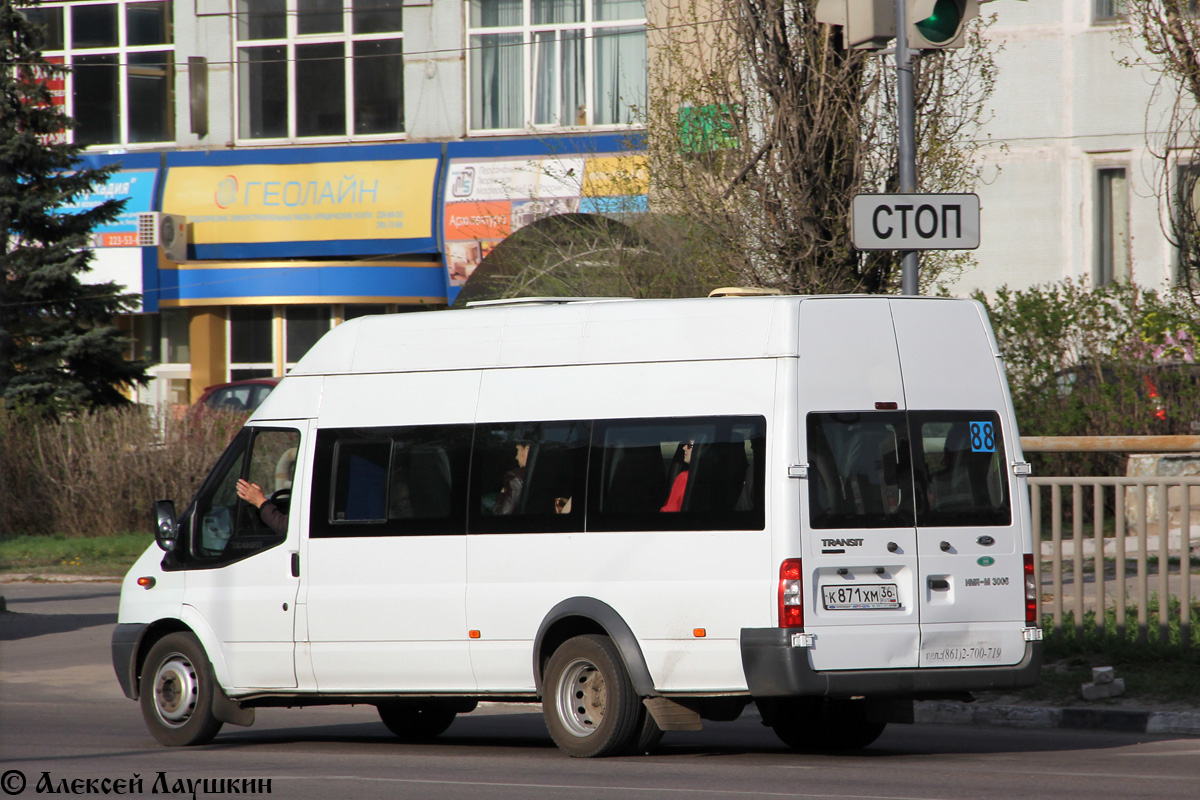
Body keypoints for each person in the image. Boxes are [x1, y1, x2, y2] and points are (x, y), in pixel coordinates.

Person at [494, 442, 530, 515]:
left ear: (527, 450)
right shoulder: (549, 474)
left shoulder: (515, 476)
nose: (516, 457)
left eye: (518, 450)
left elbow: (503, 513)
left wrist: (502, 493)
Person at [661, 440, 693, 512]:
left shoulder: (684, 478)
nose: (684, 448)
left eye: (689, 445)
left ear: (699, 449)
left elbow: (670, 510)